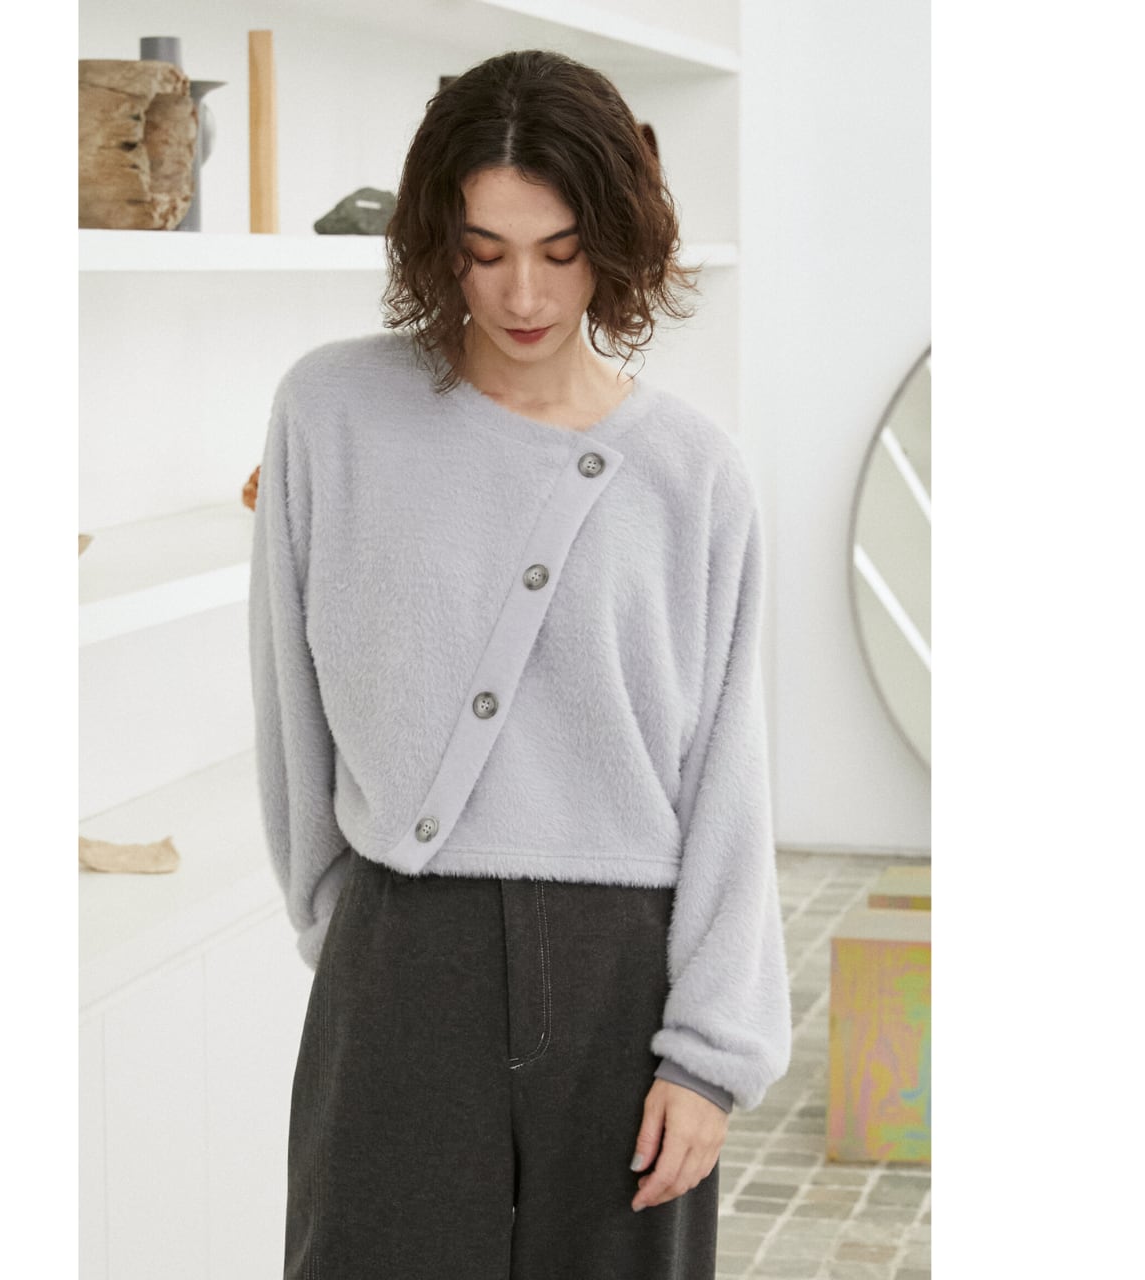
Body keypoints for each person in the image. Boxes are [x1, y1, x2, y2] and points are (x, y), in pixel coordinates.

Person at [248, 48, 792, 1279]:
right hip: (399, 951)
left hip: (619, 974)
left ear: (615, 239)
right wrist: (357, 932)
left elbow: (728, 773)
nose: (523, 293)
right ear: (434, 242)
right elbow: (287, 694)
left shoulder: (693, 472)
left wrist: (708, 1053)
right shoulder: (331, 414)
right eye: (483, 250)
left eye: (559, 248)